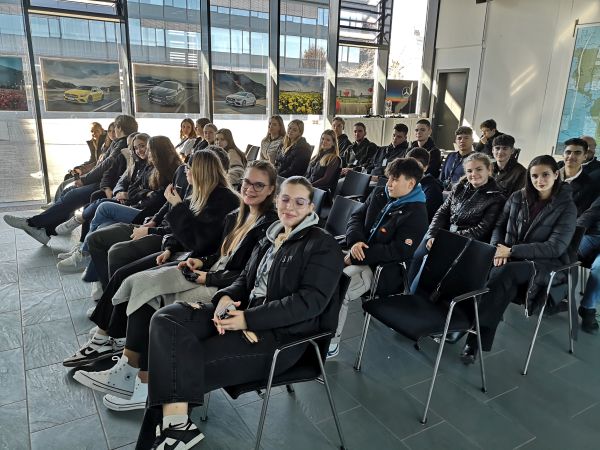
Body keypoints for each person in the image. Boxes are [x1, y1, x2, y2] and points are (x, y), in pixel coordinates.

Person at [135, 176, 343, 448]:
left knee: (174, 364)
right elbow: (245, 278)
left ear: (311, 208)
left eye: (299, 202)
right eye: (285, 199)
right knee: (166, 318)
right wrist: (224, 297)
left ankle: (159, 439)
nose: (290, 207)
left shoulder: (322, 245)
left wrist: (248, 319)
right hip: (242, 314)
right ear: (277, 200)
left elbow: (308, 303)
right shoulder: (271, 235)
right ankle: (177, 426)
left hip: (280, 339)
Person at [68, 161, 278, 410]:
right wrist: (201, 261)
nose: (250, 189)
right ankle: (126, 368)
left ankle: (145, 384)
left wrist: (208, 276)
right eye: (247, 182)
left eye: (258, 185)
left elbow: (247, 275)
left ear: (271, 190)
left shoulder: (268, 226)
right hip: (208, 271)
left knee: (156, 301)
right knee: (140, 281)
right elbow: (219, 252)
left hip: (223, 287)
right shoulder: (238, 215)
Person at [63, 150, 239, 366]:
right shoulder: (201, 192)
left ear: (200, 171)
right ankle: (106, 334)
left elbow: (199, 242)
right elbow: (179, 234)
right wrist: (169, 247)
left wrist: (177, 206)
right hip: (181, 253)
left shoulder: (224, 200)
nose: (186, 172)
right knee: (122, 273)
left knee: (128, 275)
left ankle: (107, 337)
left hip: (197, 261)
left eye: (189, 168)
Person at [460, 155, 577, 363]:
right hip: (510, 256)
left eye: (545, 175)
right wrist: (498, 249)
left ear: (556, 175)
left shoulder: (567, 207)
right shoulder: (517, 197)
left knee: (504, 273)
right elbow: (499, 226)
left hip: (545, 264)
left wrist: (511, 251)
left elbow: (555, 247)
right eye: (534, 176)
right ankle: (470, 330)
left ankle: (471, 333)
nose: (539, 180)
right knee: (489, 272)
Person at [328, 158, 429, 357]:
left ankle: (331, 342)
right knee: (319, 270)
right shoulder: (380, 193)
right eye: (389, 178)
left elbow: (397, 251)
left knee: (340, 286)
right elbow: (356, 217)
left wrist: (357, 257)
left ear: (410, 183)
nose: (388, 183)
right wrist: (355, 242)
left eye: (395, 179)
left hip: (381, 268)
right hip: (356, 251)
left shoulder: (417, 213)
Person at [3, 115, 138, 244]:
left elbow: (106, 166)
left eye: (115, 127)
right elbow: (104, 165)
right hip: (106, 183)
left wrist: (85, 180)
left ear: (119, 127)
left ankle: (33, 223)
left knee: (73, 195)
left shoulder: (122, 144)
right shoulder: (119, 143)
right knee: (70, 193)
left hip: (107, 185)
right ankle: (45, 230)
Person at [57, 135, 181, 274]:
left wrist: (141, 197)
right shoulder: (147, 166)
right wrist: (144, 194)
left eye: (148, 149)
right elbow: (132, 189)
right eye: (136, 148)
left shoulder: (172, 172)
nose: (146, 153)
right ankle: (86, 257)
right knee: (102, 225)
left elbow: (158, 200)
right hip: (138, 206)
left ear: (159, 152)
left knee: (104, 207)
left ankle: (83, 249)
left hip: (145, 213)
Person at [408, 152, 505, 287]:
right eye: (469, 171)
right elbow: (441, 212)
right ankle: (409, 290)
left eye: (479, 169)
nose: (473, 174)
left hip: (468, 242)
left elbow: (481, 229)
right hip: (445, 234)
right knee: (418, 254)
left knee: (431, 262)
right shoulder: (459, 187)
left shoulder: (496, 197)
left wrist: (445, 239)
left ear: (489, 170)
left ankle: (420, 293)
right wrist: (433, 234)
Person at [577, 196, 600, 334]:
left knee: (599, 267)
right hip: (594, 235)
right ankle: (553, 295)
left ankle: (587, 308)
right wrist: (574, 233)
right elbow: (590, 214)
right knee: (567, 249)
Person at [560, 138, 598, 216]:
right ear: (563, 154)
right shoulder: (549, 173)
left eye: (577, 153)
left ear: (585, 156)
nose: (571, 156)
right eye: (568, 152)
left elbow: (581, 213)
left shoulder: (589, 185)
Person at [407, 147, 443, 222]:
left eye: (416, 166)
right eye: (408, 165)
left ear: (425, 168)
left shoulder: (432, 189)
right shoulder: (407, 183)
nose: (411, 169)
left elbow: (424, 217)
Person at [305, 129, 342, 197]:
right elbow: (307, 174)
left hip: (320, 192)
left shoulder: (334, 159)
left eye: (328, 140)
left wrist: (309, 186)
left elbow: (326, 179)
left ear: (333, 143)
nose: (324, 141)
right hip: (310, 187)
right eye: (322, 139)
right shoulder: (315, 157)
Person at [440, 126, 475, 190]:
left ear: (472, 140)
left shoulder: (476, 159)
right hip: (445, 191)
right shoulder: (451, 156)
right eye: (459, 138)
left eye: (466, 138)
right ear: (455, 141)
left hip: (464, 192)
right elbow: (442, 177)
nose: (462, 141)